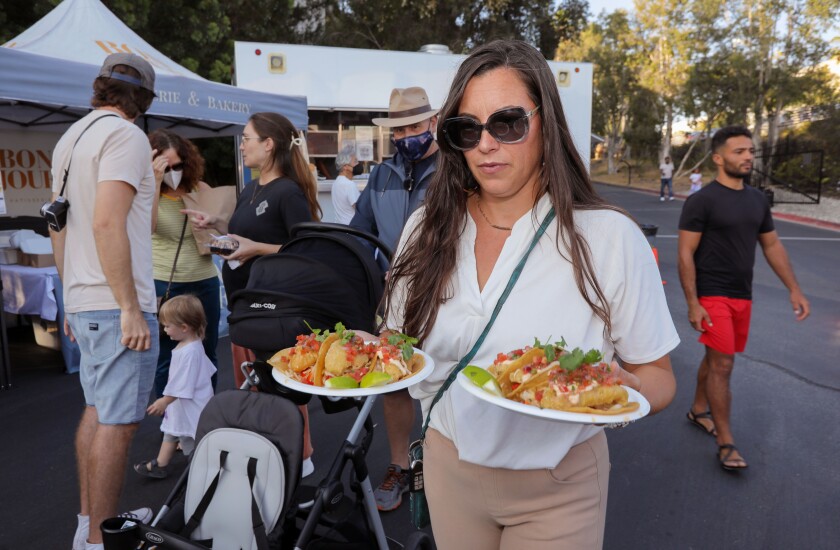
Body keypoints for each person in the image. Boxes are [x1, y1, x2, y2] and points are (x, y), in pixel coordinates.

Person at [379, 40, 679, 548]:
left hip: (559, 484)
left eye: (508, 123)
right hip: (447, 466)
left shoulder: (607, 237)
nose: (486, 145)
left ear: (546, 122)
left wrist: (618, 391)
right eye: (466, 129)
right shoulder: (423, 230)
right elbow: (395, 341)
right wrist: (368, 355)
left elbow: (659, 380)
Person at [49, 53, 159, 550]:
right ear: (143, 100)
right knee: (117, 422)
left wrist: (70, 294)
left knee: (98, 411)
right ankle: (98, 540)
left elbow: (58, 223)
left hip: (85, 297)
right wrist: (131, 307)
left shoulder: (70, 138)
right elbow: (106, 222)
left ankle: (90, 523)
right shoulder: (126, 135)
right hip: (116, 302)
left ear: (100, 89)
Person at [183, 111, 321, 476]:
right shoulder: (251, 188)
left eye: (246, 138)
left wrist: (255, 249)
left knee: (282, 387)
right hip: (246, 307)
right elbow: (250, 233)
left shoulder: (288, 191)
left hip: (273, 308)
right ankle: (272, 458)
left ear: (269, 144)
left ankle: (300, 462)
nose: (241, 145)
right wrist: (217, 226)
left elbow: (307, 249)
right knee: (257, 386)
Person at [678, 125, 810, 472]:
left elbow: (771, 245)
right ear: (719, 158)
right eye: (739, 151)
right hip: (713, 294)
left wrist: (794, 288)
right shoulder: (701, 201)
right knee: (723, 365)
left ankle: (697, 410)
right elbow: (685, 254)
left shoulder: (756, 200)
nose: (748, 156)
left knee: (715, 356)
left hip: (743, 295)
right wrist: (693, 302)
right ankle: (726, 443)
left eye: (750, 151)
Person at [349, 86, 440, 512]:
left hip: (446, 293)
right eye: (399, 128)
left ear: (433, 123)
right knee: (395, 382)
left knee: (447, 379)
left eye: (415, 126)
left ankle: (443, 465)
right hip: (393, 301)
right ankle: (400, 465)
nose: (407, 134)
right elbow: (359, 234)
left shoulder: (456, 170)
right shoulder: (381, 175)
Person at [149, 129, 220, 398]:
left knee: (207, 350)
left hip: (205, 280)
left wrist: (213, 223)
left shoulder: (199, 189)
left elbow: (225, 232)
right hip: (167, 284)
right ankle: (173, 424)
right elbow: (147, 227)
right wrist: (154, 183)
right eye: (166, 167)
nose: (174, 171)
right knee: (168, 355)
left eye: (178, 165)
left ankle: (204, 416)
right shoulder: (146, 192)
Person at [134, 295, 216, 478]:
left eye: (167, 326)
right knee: (172, 431)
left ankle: (198, 471)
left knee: (189, 436)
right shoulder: (189, 344)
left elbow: (184, 384)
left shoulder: (189, 352)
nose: (165, 329)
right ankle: (160, 464)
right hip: (181, 403)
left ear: (184, 328)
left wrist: (164, 401)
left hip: (189, 404)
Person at [332, 146, 362, 224]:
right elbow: (360, 209)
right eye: (355, 161)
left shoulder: (336, 183)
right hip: (351, 229)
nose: (358, 164)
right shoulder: (349, 185)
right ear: (345, 166)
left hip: (340, 228)